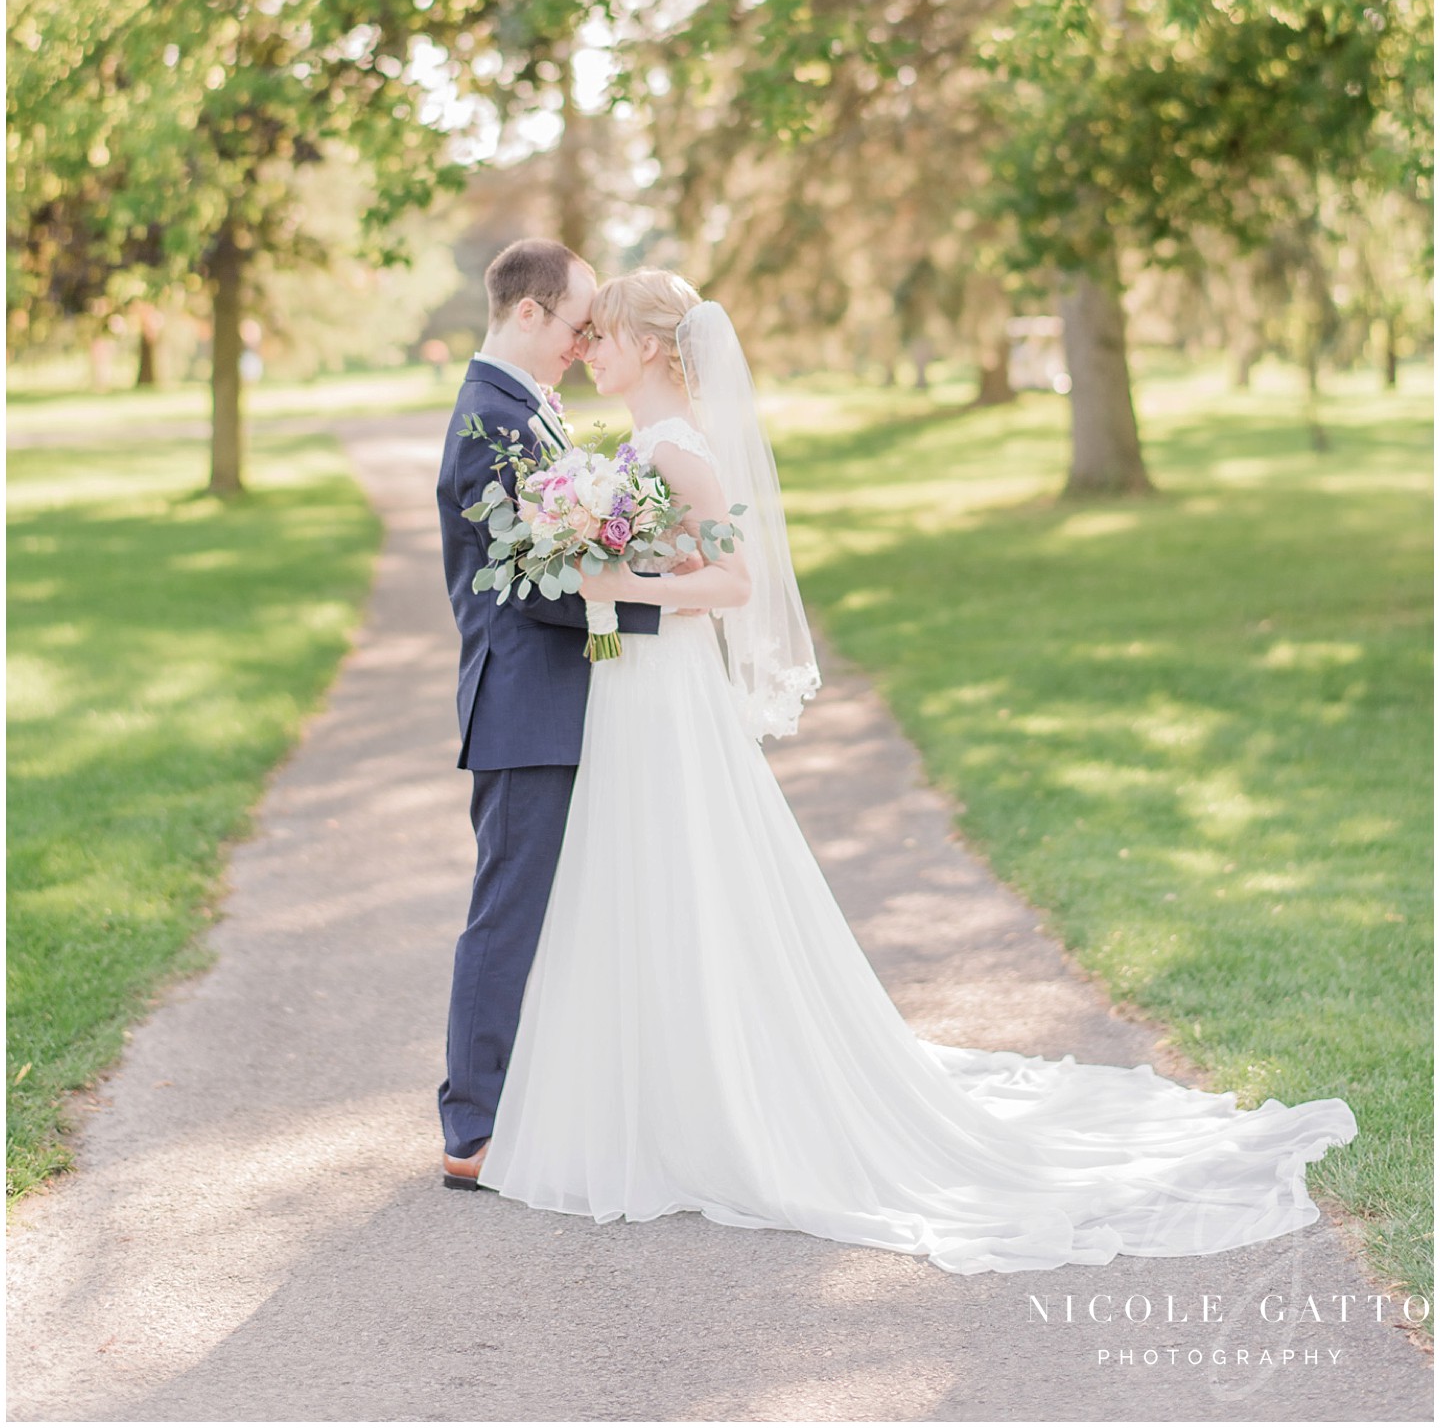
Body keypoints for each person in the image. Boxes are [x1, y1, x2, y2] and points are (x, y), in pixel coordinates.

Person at [474, 268, 1359, 1276]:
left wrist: (611, 577)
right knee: (635, 878)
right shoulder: (633, 449)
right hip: (632, 687)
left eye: (604, 334)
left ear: (651, 349)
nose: (588, 346)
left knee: (685, 869)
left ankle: (705, 1107)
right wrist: (599, 561)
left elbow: (732, 582)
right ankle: (641, 1102)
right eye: (583, 334)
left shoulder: (678, 450)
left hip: (668, 691)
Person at [434, 239, 683, 1188]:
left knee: (569, 907)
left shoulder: (525, 408)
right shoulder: (484, 421)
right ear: (528, 313)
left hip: (561, 694)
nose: (586, 344)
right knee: (510, 911)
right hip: (523, 707)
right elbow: (538, 581)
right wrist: (665, 600)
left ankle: (541, 1096)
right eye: (579, 324)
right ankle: (471, 1128)